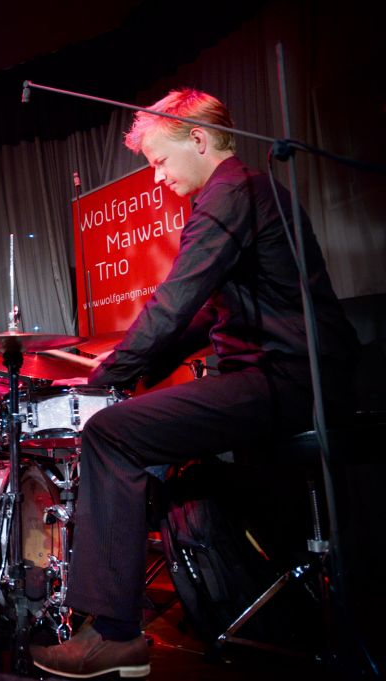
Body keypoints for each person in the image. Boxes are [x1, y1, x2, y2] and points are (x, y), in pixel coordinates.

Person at [30, 89, 358, 678]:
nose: (156, 179)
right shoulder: (247, 193)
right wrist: (124, 369)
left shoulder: (233, 192)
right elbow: (206, 315)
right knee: (136, 429)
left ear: (199, 140)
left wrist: (106, 380)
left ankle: (114, 635)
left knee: (111, 435)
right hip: (288, 375)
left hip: (289, 378)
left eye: (158, 160)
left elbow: (178, 300)